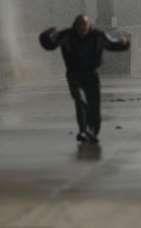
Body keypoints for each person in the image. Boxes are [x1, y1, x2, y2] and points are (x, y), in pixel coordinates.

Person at [38, 14, 131, 144]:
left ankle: (92, 131)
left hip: (91, 74)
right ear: (75, 25)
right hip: (74, 74)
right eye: (79, 25)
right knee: (80, 100)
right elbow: (49, 44)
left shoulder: (98, 35)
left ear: (89, 26)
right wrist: (46, 34)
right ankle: (82, 130)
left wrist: (124, 42)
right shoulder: (66, 35)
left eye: (84, 25)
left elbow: (113, 44)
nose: (82, 28)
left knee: (94, 106)